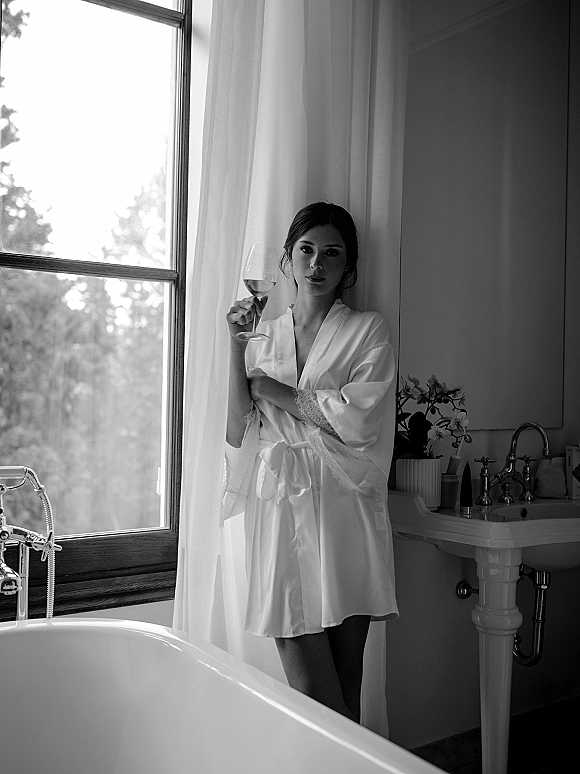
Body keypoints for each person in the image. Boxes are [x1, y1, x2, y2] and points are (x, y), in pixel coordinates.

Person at [224, 202, 398, 723]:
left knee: (346, 690)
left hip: (347, 511)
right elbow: (236, 430)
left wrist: (275, 390)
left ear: (350, 268)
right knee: (312, 694)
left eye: (332, 253)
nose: (316, 263)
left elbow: (359, 420)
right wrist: (234, 349)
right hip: (280, 508)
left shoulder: (368, 330)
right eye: (305, 250)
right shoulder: (263, 335)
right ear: (287, 259)